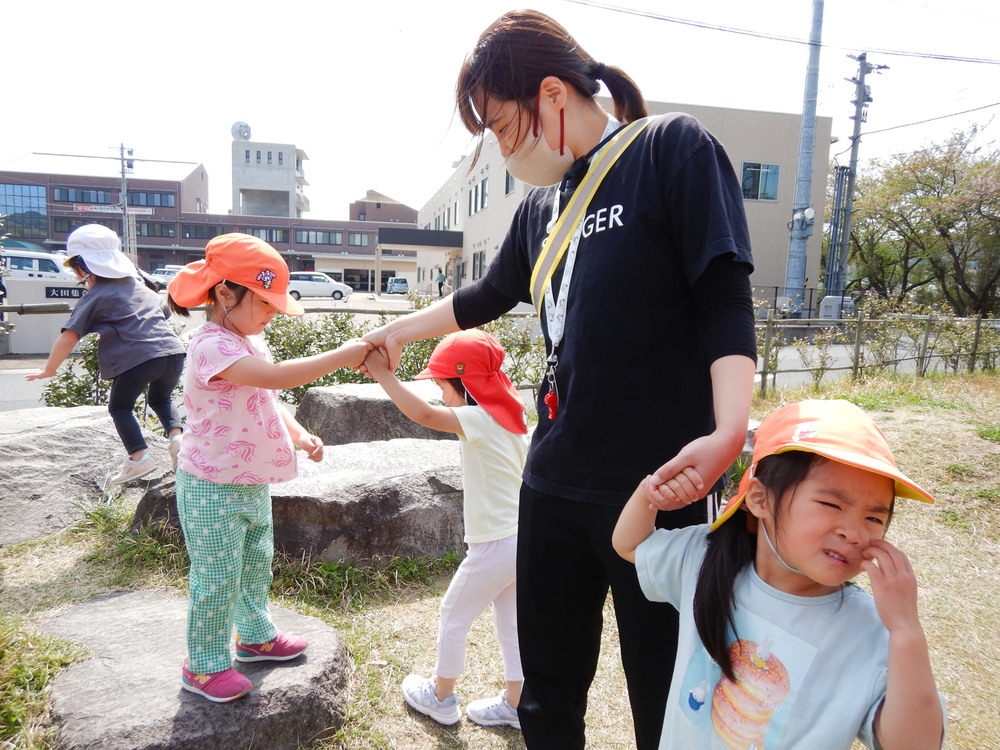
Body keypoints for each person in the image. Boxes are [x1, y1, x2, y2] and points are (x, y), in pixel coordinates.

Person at [359, 10, 756, 748]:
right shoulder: (543, 206)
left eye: (505, 128)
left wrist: (729, 428)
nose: (506, 150)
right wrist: (393, 332)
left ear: (551, 94)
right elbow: (483, 297)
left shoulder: (671, 148)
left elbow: (723, 294)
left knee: (664, 697)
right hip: (551, 485)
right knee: (547, 696)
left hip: (661, 486)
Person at [612, 399, 945, 750]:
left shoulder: (868, 630)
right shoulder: (705, 561)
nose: (855, 533)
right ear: (760, 499)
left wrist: (906, 630)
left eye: (874, 518)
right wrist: (651, 494)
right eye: (832, 505)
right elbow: (629, 545)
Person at [166, 233, 371, 703]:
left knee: (255, 564)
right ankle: (203, 664)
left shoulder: (247, 341)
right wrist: (347, 353)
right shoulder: (211, 346)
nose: (273, 312)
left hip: (248, 479)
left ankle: (255, 636)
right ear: (224, 293)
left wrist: (299, 434)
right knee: (217, 577)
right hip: (210, 485)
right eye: (265, 302)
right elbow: (279, 378)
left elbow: (266, 396)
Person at [363, 330, 528, 729]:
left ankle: (441, 697)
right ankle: (517, 704)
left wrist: (383, 375)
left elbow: (424, 415)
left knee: (453, 613)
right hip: (521, 539)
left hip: (493, 544)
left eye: (442, 386)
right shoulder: (511, 409)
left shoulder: (478, 417)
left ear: (465, 384)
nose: (441, 396)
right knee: (512, 622)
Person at [26, 224, 186, 483]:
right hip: (173, 353)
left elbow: (69, 335)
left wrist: (50, 369)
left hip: (139, 358)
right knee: (161, 399)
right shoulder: (141, 287)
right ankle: (177, 440)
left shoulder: (96, 295)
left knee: (120, 407)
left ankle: (140, 459)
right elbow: (164, 312)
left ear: (83, 268)